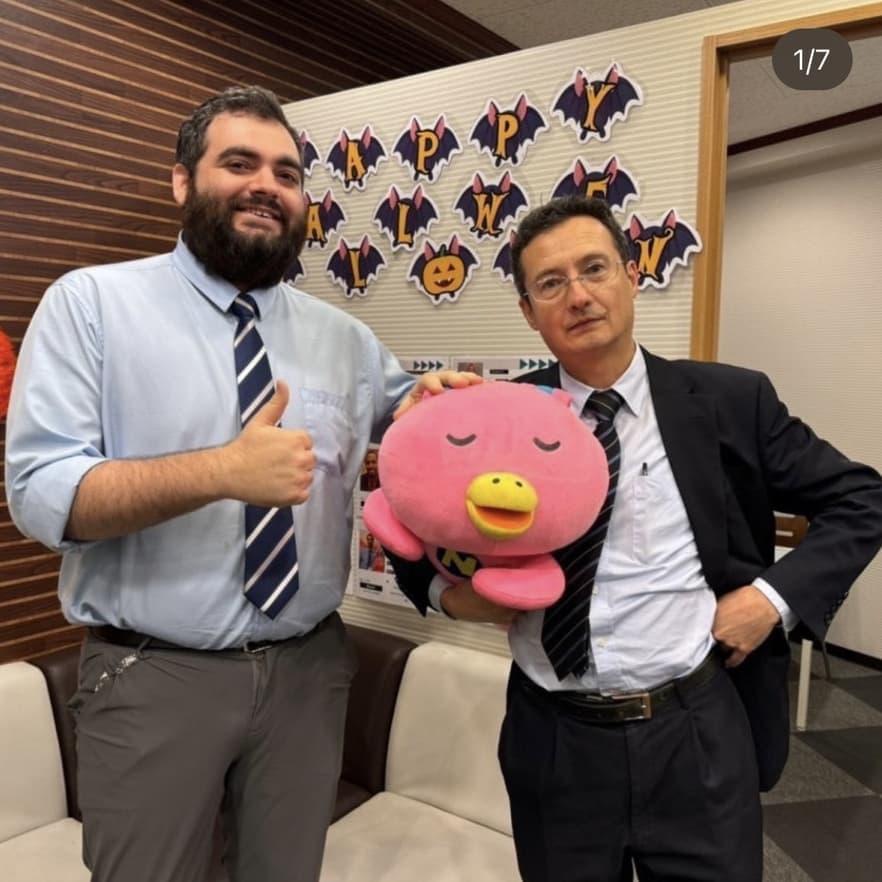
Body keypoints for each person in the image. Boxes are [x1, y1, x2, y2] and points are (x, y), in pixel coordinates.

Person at [4, 85, 476, 882]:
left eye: (286, 173)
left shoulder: (346, 340)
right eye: (239, 163)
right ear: (182, 181)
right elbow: (43, 497)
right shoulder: (92, 305)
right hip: (153, 676)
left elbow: (414, 426)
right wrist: (220, 471)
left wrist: (444, 407)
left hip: (308, 673)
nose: (266, 185)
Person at [389, 195, 882, 882]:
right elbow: (406, 526)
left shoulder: (730, 401)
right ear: (529, 311)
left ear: (630, 275)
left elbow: (862, 499)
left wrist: (769, 600)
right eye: (550, 283)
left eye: (594, 269)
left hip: (696, 728)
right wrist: (450, 595)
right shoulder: (499, 415)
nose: (578, 295)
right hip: (554, 737)